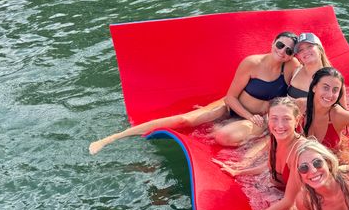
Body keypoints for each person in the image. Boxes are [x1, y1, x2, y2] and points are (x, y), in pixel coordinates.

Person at [88, 32, 300, 154]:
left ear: (292, 55)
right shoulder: (252, 63)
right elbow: (230, 97)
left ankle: (226, 129)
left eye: (288, 50)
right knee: (184, 120)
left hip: (259, 119)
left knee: (223, 136)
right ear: (273, 42)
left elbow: (305, 85)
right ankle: (112, 138)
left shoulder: (291, 67)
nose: (282, 51)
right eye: (280, 45)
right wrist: (246, 115)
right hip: (234, 108)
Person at [211, 97, 306, 210]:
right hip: (281, 188)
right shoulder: (277, 138)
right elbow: (268, 166)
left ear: (297, 121)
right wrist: (238, 172)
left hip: (301, 197)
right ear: (268, 118)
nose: (279, 125)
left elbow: (288, 200)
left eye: (286, 119)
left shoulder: (300, 152)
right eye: (274, 118)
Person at [286, 32, 347, 111]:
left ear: (320, 49)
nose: (305, 51)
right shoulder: (295, 70)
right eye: (301, 50)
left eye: (310, 46)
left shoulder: (334, 79)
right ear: (299, 56)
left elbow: (343, 112)